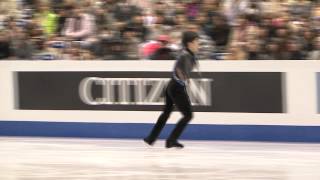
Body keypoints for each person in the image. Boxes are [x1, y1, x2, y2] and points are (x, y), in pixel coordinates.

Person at [143, 31, 200, 149]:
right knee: (188, 115)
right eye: (196, 42)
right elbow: (179, 70)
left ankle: (151, 138)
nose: (198, 44)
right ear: (189, 43)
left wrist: (185, 78)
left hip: (172, 86)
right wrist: (184, 78)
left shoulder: (190, 55)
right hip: (176, 88)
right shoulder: (185, 55)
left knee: (166, 113)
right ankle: (171, 140)